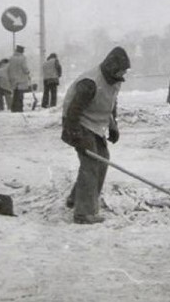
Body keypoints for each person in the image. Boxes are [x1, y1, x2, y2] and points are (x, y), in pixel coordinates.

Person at [60, 46, 130, 224]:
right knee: (91, 163)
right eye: (121, 70)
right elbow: (73, 112)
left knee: (102, 158)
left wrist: (113, 125)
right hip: (77, 122)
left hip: (96, 124)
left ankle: (76, 199)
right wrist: (77, 137)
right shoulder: (90, 83)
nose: (123, 74)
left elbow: (111, 101)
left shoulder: (115, 79)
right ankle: (83, 213)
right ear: (111, 67)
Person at [7, 45, 32, 112]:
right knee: (20, 94)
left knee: (15, 93)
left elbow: (9, 68)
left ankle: (14, 108)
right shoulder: (22, 58)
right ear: (21, 51)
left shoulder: (11, 58)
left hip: (13, 78)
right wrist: (28, 72)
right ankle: (19, 108)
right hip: (21, 78)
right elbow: (24, 68)